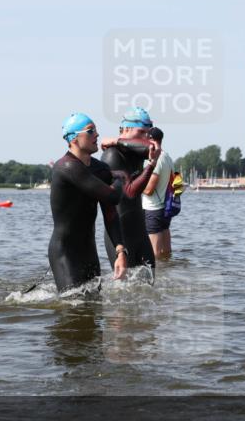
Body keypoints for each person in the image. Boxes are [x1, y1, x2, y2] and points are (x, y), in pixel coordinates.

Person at [48, 113, 130, 293]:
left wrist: (120, 251)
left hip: (89, 252)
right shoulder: (66, 167)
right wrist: (120, 178)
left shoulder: (101, 169)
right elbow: (113, 196)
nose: (97, 134)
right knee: (73, 306)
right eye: (90, 131)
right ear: (73, 139)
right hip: (65, 253)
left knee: (94, 305)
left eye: (96, 130)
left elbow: (110, 213)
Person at [99, 107, 159, 273]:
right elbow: (129, 192)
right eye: (141, 132)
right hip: (121, 234)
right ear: (125, 129)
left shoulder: (136, 153)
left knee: (150, 282)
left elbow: (155, 146)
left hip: (140, 231)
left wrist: (116, 140)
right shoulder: (112, 155)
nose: (145, 137)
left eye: (147, 133)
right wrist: (151, 166)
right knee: (124, 287)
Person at [141, 127, 174, 259]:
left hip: (153, 209)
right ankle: (168, 270)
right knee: (166, 252)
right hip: (166, 208)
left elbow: (149, 190)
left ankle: (158, 272)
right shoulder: (167, 157)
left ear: (150, 140)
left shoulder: (157, 159)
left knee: (154, 254)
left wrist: (134, 183)